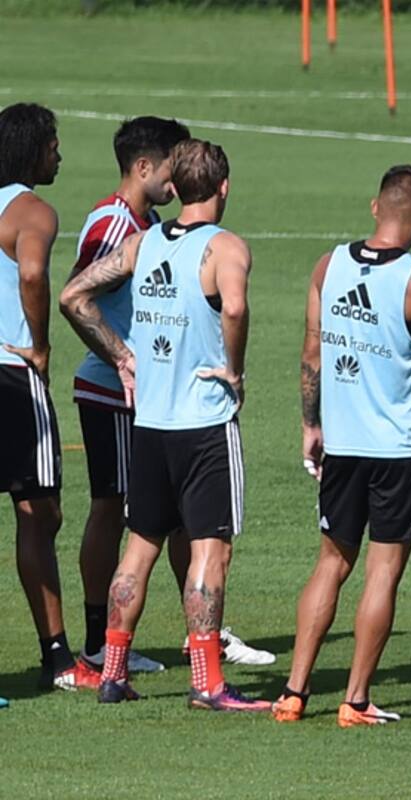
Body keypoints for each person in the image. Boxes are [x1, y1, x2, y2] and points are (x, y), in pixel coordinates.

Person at [60, 138, 269, 711]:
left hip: (149, 422)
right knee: (210, 549)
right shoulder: (226, 247)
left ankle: (113, 672)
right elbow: (234, 308)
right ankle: (206, 682)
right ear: (224, 187)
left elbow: (74, 295)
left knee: (140, 548)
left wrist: (121, 355)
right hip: (204, 423)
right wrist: (236, 370)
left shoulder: (142, 242)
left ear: (173, 187)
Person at [271, 165, 411, 727]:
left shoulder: (329, 265)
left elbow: (311, 354)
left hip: (343, 443)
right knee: (383, 572)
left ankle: (294, 692)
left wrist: (310, 424)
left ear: (375, 207)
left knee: (331, 563)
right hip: (399, 449)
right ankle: (355, 700)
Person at [0, 102, 85, 694]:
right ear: (33, 150)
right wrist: (41, 345)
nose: (60, 154)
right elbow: (32, 274)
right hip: (11, 373)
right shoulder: (33, 210)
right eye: (54, 144)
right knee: (39, 512)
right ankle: (57, 656)